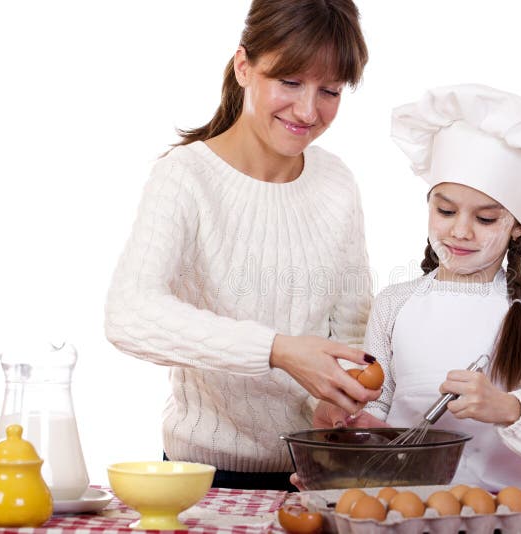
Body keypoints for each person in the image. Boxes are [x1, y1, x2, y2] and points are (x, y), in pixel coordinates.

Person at [104, 0, 378, 492]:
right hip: (200, 477)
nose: (308, 110)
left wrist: (339, 400)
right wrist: (276, 351)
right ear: (243, 65)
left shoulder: (336, 181)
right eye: (289, 82)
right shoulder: (185, 178)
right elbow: (129, 314)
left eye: (330, 91)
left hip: (314, 470)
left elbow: (354, 322)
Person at [314, 84, 521, 493]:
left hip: (507, 505)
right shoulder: (395, 303)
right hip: (404, 503)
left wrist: (509, 408)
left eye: (486, 219)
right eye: (445, 210)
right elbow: (378, 404)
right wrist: (352, 422)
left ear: (516, 226)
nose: (460, 231)